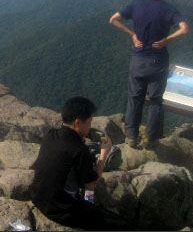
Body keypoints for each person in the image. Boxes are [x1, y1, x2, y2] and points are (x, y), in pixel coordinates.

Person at [109, 0, 189, 149]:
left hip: (138, 59)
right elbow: (184, 28)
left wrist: (132, 34)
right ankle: (151, 139)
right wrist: (167, 39)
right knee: (155, 100)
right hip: (158, 61)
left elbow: (113, 19)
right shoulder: (169, 9)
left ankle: (131, 137)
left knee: (135, 98)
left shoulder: (136, 5)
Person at [30, 97, 131, 230]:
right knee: (122, 225)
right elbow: (91, 184)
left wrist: (79, 139)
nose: (89, 127)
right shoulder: (79, 149)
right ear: (77, 123)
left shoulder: (51, 134)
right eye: (88, 123)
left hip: (38, 197)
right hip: (61, 209)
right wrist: (103, 155)